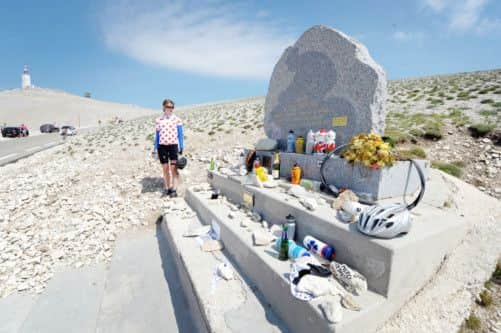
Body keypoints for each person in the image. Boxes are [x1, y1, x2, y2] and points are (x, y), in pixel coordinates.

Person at [152, 99, 184, 197]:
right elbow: (157, 135)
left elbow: (180, 134)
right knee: (165, 169)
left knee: (173, 168)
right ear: (164, 107)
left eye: (172, 107)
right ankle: (168, 188)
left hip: (173, 146)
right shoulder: (158, 120)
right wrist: (155, 148)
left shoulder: (177, 120)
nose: (170, 109)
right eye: (168, 107)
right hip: (162, 147)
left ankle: (174, 189)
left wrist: (181, 146)